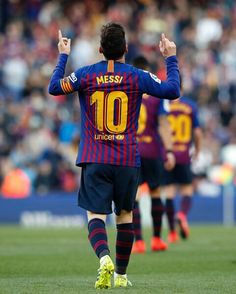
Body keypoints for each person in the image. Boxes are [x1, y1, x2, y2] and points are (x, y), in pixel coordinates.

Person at [48, 23, 180, 289]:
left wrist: (63, 55)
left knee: (95, 216)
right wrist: (171, 58)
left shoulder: (85, 75)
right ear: (126, 49)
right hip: (127, 159)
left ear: (99, 49)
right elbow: (173, 90)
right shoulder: (137, 76)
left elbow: (54, 87)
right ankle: (120, 275)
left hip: (95, 157)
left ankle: (104, 257)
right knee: (124, 218)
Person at [131, 56, 175, 254]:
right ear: (148, 71)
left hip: (132, 151)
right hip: (153, 150)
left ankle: (138, 241)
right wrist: (170, 151)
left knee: (135, 196)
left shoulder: (128, 92)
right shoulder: (157, 95)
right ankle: (156, 239)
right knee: (156, 193)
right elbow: (164, 125)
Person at [162, 85, 202, 242]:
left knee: (169, 192)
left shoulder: (165, 105)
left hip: (168, 155)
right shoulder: (190, 106)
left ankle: (172, 232)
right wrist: (197, 151)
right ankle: (182, 214)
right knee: (187, 189)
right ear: (183, 89)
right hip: (184, 154)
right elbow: (197, 132)